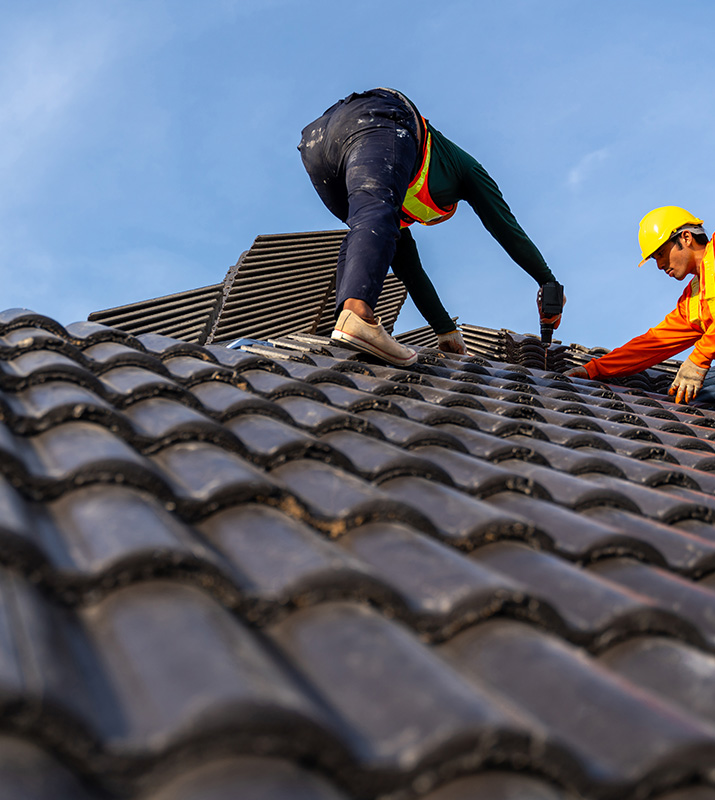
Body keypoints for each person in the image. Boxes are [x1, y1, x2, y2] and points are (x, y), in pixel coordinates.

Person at [298, 87, 563, 366]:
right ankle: (357, 314)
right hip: (379, 117)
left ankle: (346, 324)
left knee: (365, 231)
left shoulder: (394, 194)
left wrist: (445, 330)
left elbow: (410, 268)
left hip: (317, 144)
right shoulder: (465, 169)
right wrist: (547, 281)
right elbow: (506, 227)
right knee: (377, 216)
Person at [565, 206, 714, 404]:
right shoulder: (694, 301)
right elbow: (652, 344)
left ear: (686, 237)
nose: (660, 265)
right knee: (697, 400)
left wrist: (699, 357)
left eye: (661, 253)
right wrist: (593, 369)